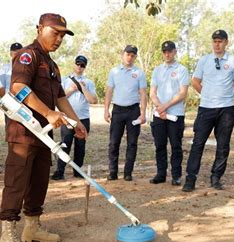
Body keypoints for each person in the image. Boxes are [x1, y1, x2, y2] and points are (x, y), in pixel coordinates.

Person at [0, 13, 87, 242]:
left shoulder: (54, 65)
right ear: (39, 29)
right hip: (24, 132)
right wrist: (47, 112)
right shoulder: (28, 55)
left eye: (62, 35)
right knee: (17, 181)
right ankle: (7, 235)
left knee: (39, 180)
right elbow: (18, 88)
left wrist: (76, 122)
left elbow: (60, 98)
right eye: (54, 32)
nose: (58, 39)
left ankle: (32, 226)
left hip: (44, 135)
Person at [182, 30, 234, 192]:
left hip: (226, 110)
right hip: (206, 109)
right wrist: (208, 94)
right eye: (215, 41)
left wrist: (225, 96)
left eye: (220, 41)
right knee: (197, 143)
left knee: (223, 145)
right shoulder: (204, 60)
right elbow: (195, 81)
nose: (217, 44)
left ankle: (216, 177)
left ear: (226, 42)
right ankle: (190, 178)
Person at [104, 45, 147, 181]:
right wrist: (106, 110)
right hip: (117, 110)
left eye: (133, 55)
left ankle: (128, 173)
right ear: (123, 55)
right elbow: (109, 91)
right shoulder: (114, 71)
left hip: (133, 111)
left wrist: (143, 113)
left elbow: (143, 93)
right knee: (114, 142)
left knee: (132, 142)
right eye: (127, 54)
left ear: (135, 57)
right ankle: (113, 172)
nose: (130, 57)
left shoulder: (139, 73)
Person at [149, 41, 189, 186]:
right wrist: (160, 108)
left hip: (175, 114)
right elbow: (152, 92)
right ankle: (161, 174)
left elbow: (183, 93)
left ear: (175, 52)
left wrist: (165, 107)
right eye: (165, 51)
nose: (167, 54)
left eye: (170, 51)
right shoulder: (157, 70)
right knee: (160, 145)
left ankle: (176, 176)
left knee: (176, 146)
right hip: (159, 114)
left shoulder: (182, 70)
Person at [51, 55, 97, 180]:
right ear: (74, 64)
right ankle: (60, 171)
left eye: (82, 65)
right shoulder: (65, 80)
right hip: (68, 118)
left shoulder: (88, 82)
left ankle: (78, 171)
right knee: (65, 144)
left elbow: (93, 100)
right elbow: (58, 98)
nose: (79, 67)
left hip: (83, 118)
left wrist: (83, 88)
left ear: (85, 67)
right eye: (78, 64)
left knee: (80, 146)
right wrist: (71, 90)